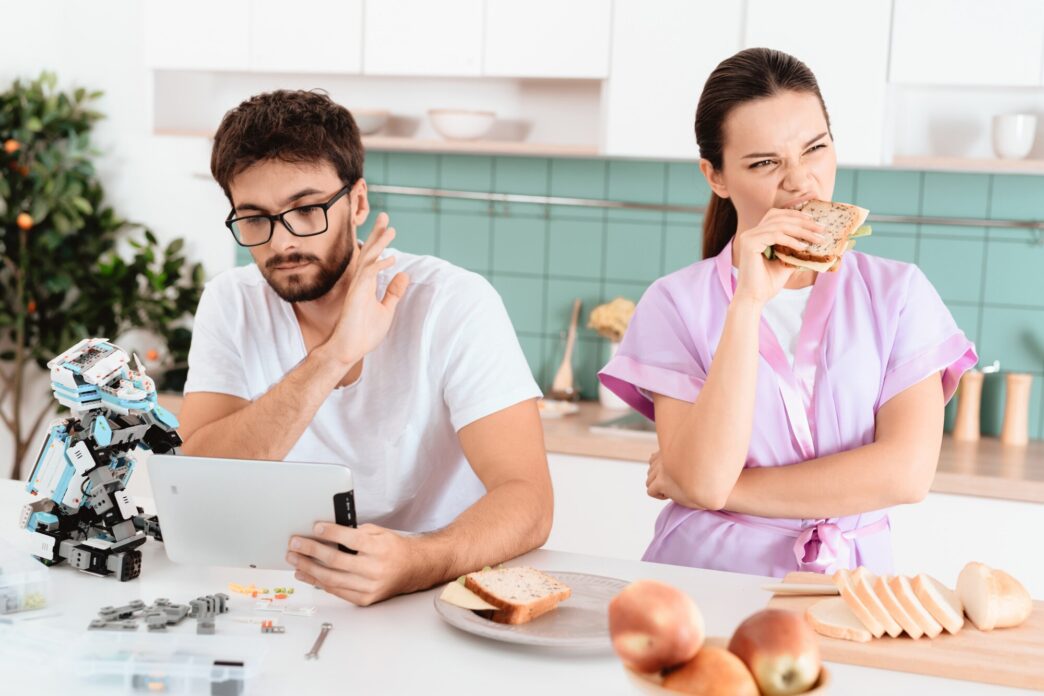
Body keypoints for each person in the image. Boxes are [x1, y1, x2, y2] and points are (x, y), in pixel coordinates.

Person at [599, 48, 977, 577]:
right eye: (764, 163)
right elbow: (702, 484)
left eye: (815, 149)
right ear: (717, 177)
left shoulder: (899, 294)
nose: (800, 182)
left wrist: (726, 489)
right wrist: (747, 303)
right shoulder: (674, 304)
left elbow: (906, 475)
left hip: (850, 587)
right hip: (704, 581)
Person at [177, 89, 553, 605]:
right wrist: (333, 357)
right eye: (254, 218)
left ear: (356, 202)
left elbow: (529, 500)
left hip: (436, 586)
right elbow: (197, 482)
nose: (281, 242)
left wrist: (413, 562)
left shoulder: (454, 303)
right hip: (277, 591)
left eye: (306, 210)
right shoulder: (230, 301)